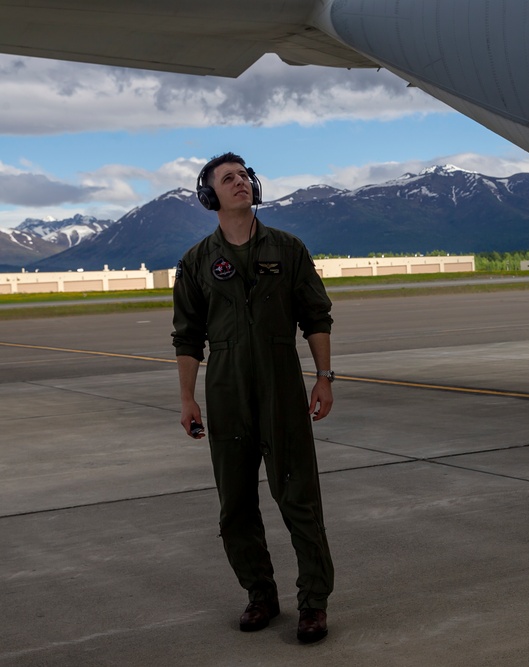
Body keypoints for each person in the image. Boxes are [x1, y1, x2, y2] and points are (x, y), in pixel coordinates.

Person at [172, 152, 335, 644]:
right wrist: (187, 398)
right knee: (235, 507)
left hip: (281, 385)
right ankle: (260, 595)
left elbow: (317, 317)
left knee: (299, 499)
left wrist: (324, 377)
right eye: (228, 178)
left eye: (244, 175)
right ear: (210, 196)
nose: (240, 182)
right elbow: (186, 336)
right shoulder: (196, 262)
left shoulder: (288, 249)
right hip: (225, 392)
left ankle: (313, 604)